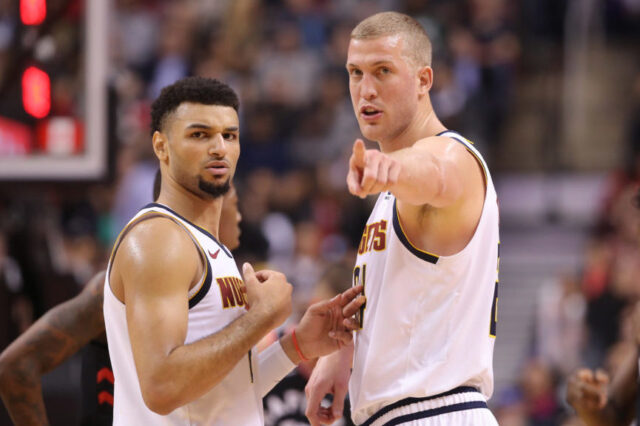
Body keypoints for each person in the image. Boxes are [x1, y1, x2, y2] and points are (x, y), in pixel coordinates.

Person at [103, 76, 364, 425]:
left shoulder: (211, 248)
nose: (219, 148)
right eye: (200, 135)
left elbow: (224, 393)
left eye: (229, 135)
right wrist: (261, 319)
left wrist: (297, 345)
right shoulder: (159, 239)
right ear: (161, 146)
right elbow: (162, 387)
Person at [305, 12, 500, 425]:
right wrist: (346, 350)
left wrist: (391, 169)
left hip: (435, 411)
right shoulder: (389, 196)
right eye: (355, 73)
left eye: (383, 71)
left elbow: (435, 174)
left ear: (424, 80)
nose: (366, 89)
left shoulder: (454, 157)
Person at [0, 174, 243, 426]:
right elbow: (16, 365)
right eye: (235, 201)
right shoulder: (119, 288)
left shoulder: (218, 295)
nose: (240, 215)